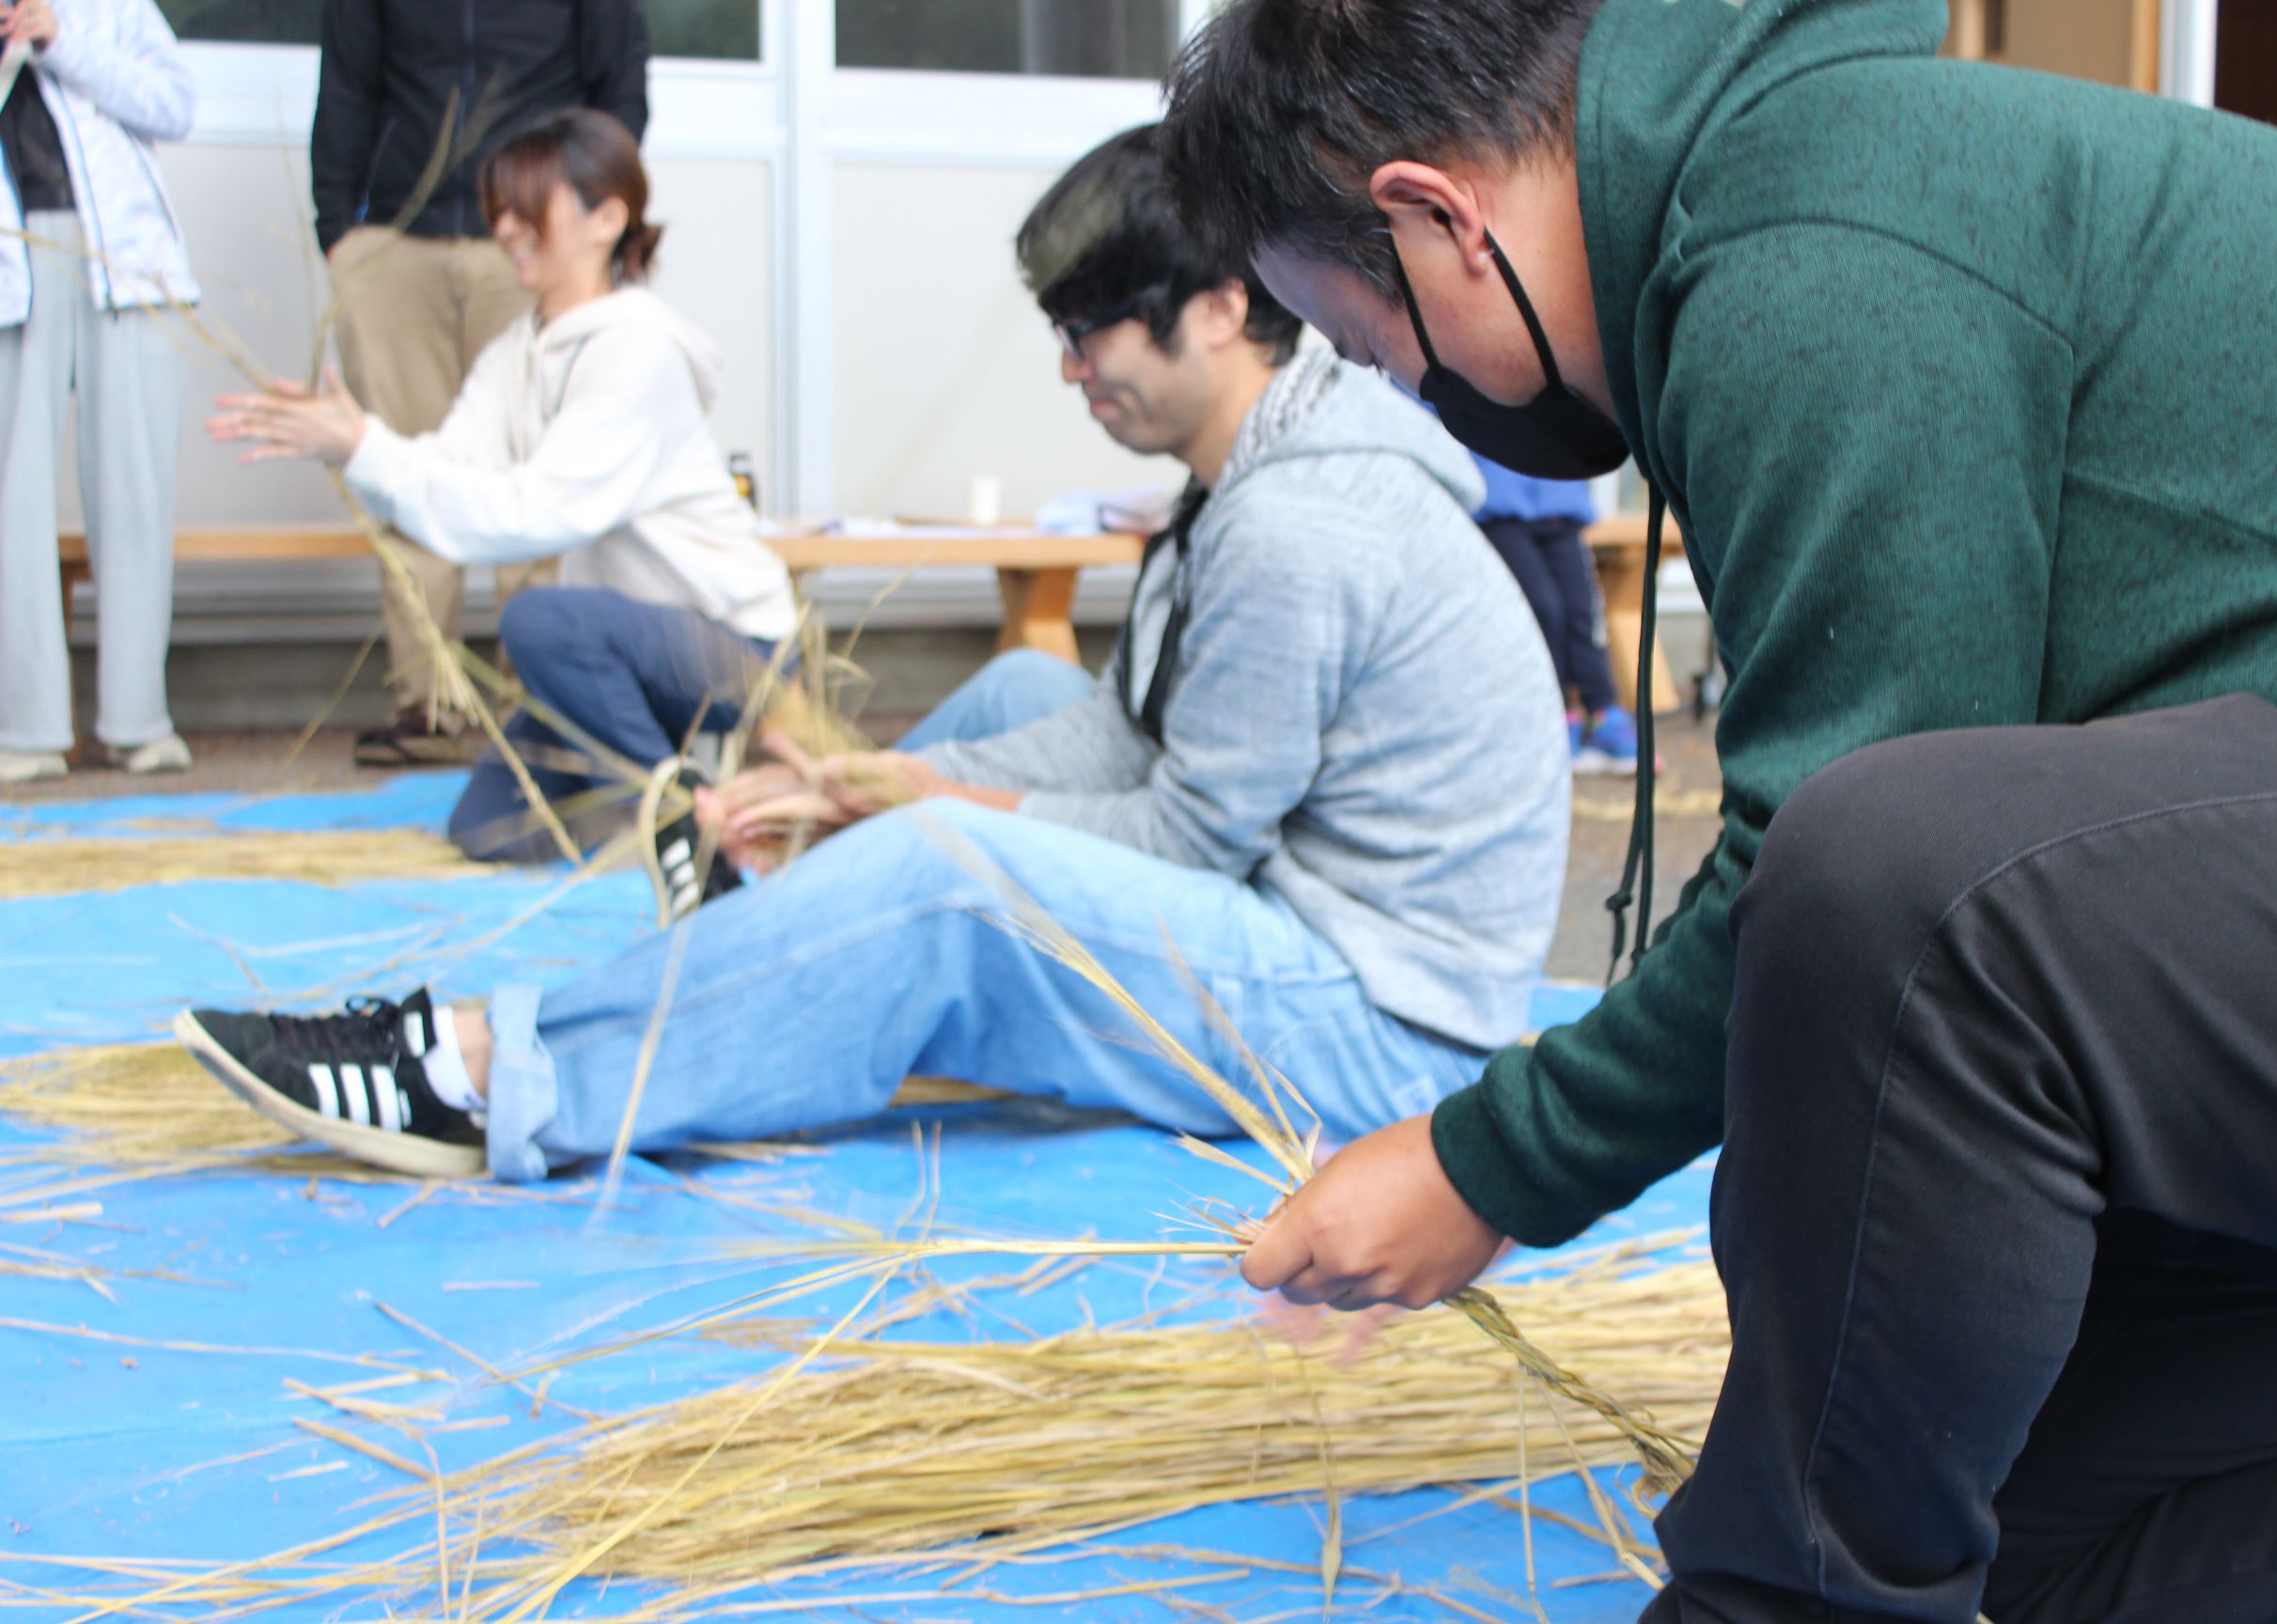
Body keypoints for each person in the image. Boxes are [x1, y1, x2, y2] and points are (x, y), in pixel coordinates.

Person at [1160, 2, 2277, 1621]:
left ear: (1432, 218)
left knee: (1895, 887)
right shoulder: (1761, 214)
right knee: (2024, 1526)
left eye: (1372, 339)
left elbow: (1849, 860)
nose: (1409, 387)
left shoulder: (1816, 230)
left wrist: (1489, 1160)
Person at [176, 123, 1571, 1201]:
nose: (1075, 372)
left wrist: (920, 812)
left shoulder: (1297, 523)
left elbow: (1190, 835)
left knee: (947, 878)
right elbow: (1120, 737)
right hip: (1306, 922)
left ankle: (497, 1077)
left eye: (1093, 332)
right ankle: (792, 907)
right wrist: (870, 776)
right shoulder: (1254, 475)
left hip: (1382, 1036)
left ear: (1213, 308)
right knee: (1018, 715)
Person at [214, 109, 794, 900]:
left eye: (531, 205)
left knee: (538, 620)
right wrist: (356, 442)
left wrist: (367, 449)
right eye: (501, 207)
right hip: (625, 659)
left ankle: (685, 825)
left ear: (607, 218)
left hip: (736, 651)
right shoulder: (518, 351)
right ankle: (665, 774)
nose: (507, 226)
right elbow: (450, 464)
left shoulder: (639, 352)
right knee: (489, 828)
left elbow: (537, 513)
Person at [311, 0, 649, 767]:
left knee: (541, 474)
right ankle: (429, 704)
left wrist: (583, 224)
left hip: (533, 244)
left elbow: (620, 83)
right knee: (404, 468)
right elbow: (348, 83)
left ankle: (537, 705)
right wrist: (340, 232)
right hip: (398, 241)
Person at [0, 0, 195, 786]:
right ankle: (28, 726)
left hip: (129, 264)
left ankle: (137, 720)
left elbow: (174, 106)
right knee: (13, 498)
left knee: (137, 491)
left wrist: (60, 42)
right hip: (15, 269)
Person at [1468, 455, 1641, 773]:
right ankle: (1558, 716)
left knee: (1581, 611)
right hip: (1497, 504)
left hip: (1561, 500)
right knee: (1543, 608)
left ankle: (1603, 711)